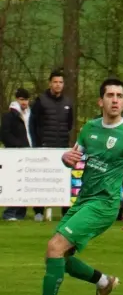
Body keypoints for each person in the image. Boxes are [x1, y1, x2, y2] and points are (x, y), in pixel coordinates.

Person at [23, 79, 123, 295]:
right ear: (101, 101)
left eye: (119, 96)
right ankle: (104, 282)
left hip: (104, 205)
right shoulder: (89, 129)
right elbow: (74, 156)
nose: (115, 100)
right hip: (84, 200)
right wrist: (65, 158)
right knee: (56, 256)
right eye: (110, 95)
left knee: (55, 248)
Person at [30, 68, 75, 222]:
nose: (58, 85)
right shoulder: (41, 100)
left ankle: (65, 211)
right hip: (44, 147)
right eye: (55, 82)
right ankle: (39, 212)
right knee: (42, 180)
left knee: (63, 179)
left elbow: (69, 124)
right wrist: (37, 144)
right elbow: (32, 124)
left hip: (62, 147)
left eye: (60, 82)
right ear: (50, 83)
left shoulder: (68, 102)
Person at [2, 88, 33, 221]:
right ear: (16, 99)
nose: (24, 102)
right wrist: (18, 145)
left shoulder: (30, 115)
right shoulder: (9, 116)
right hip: (14, 154)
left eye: (26, 99)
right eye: (21, 99)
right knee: (15, 184)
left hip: (29, 153)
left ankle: (20, 213)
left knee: (25, 184)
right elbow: (4, 134)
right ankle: (9, 213)